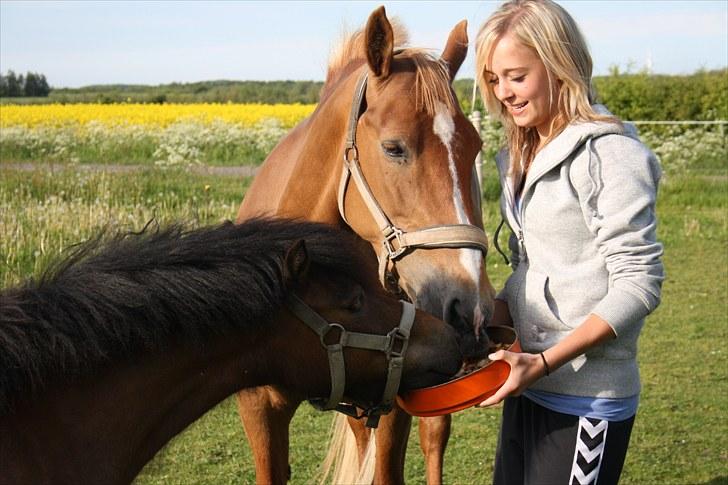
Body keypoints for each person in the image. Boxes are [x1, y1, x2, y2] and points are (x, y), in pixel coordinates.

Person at [473, 1, 664, 484]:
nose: (504, 94)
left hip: (585, 399)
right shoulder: (521, 154)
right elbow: (529, 267)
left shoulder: (609, 153)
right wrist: (477, 326)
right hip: (528, 386)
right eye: (494, 80)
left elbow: (639, 283)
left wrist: (541, 362)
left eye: (517, 75)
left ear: (559, 63)